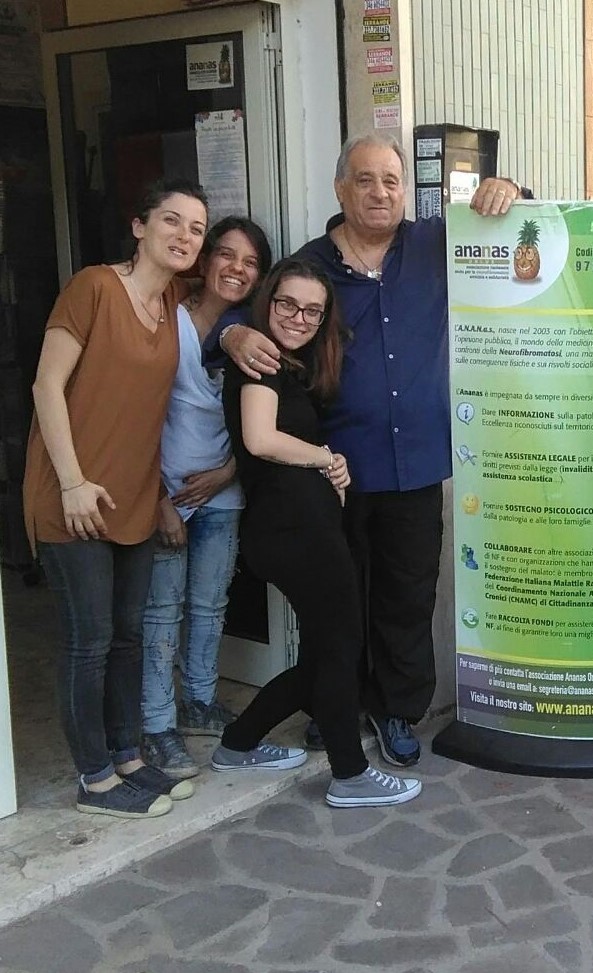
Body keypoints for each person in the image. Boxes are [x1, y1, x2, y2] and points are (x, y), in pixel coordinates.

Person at [217, 134, 522, 767]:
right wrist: (232, 334)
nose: (380, 193)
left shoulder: (438, 243)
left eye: (391, 180)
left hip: (417, 464)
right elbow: (243, 313)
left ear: (406, 189)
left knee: (407, 596)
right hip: (335, 471)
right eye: (364, 180)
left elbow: (525, 231)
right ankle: (335, 703)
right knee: (340, 602)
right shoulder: (309, 265)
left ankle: (395, 709)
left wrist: (511, 190)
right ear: (340, 189)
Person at [24, 178, 209, 818]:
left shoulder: (174, 302)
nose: (184, 235)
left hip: (132, 498)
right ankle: (95, 779)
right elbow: (46, 386)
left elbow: (228, 303)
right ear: (139, 225)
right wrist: (72, 481)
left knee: (128, 637)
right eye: (171, 220)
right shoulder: (94, 288)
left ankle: (127, 757)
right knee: (91, 641)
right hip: (73, 495)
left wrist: (240, 337)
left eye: (196, 229)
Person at [214, 256, 421, 808]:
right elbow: (260, 439)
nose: (299, 318)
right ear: (268, 302)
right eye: (288, 304)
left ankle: (238, 743)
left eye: (313, 311)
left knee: (328, 654)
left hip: (302, 528)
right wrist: (327, 457)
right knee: (339, 651)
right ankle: (349, 775)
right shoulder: (260, 360)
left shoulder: (290, 366)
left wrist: (329, 466)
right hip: (292, 531)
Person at [140, 217, 272, 780]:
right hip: (164, 490)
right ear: (206, 258)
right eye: (227, 254)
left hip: (223, 488)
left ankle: (198, 701)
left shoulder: (255, 330)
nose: (237, 268)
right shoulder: (161, 316)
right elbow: (133, 417)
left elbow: (264, 419)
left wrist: (227, 473)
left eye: (251, 262)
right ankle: (156, 725)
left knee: (210, 605)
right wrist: (158, 500)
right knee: (160, 610)